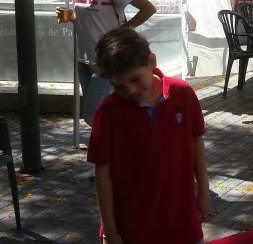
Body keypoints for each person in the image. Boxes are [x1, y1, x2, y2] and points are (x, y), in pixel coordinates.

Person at [88, 27, 210, 244]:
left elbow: (196, 143)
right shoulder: (108, 112)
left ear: (151, 61)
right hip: (132, 226)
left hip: (182, 219)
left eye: (135, 79)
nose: (130, 91)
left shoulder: (183, 94)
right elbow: (102, 173)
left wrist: (204, 191)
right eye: (119, 86)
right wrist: (110, 232)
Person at [61, 0, 157, 125]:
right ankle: (114, 142)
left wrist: (124, 29)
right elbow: (87, 20)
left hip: (107, 61)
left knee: (92, 115)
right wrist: (70, 17)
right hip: (84, 59)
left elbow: (148, 8)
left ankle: (118, 141)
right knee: (103, 113)